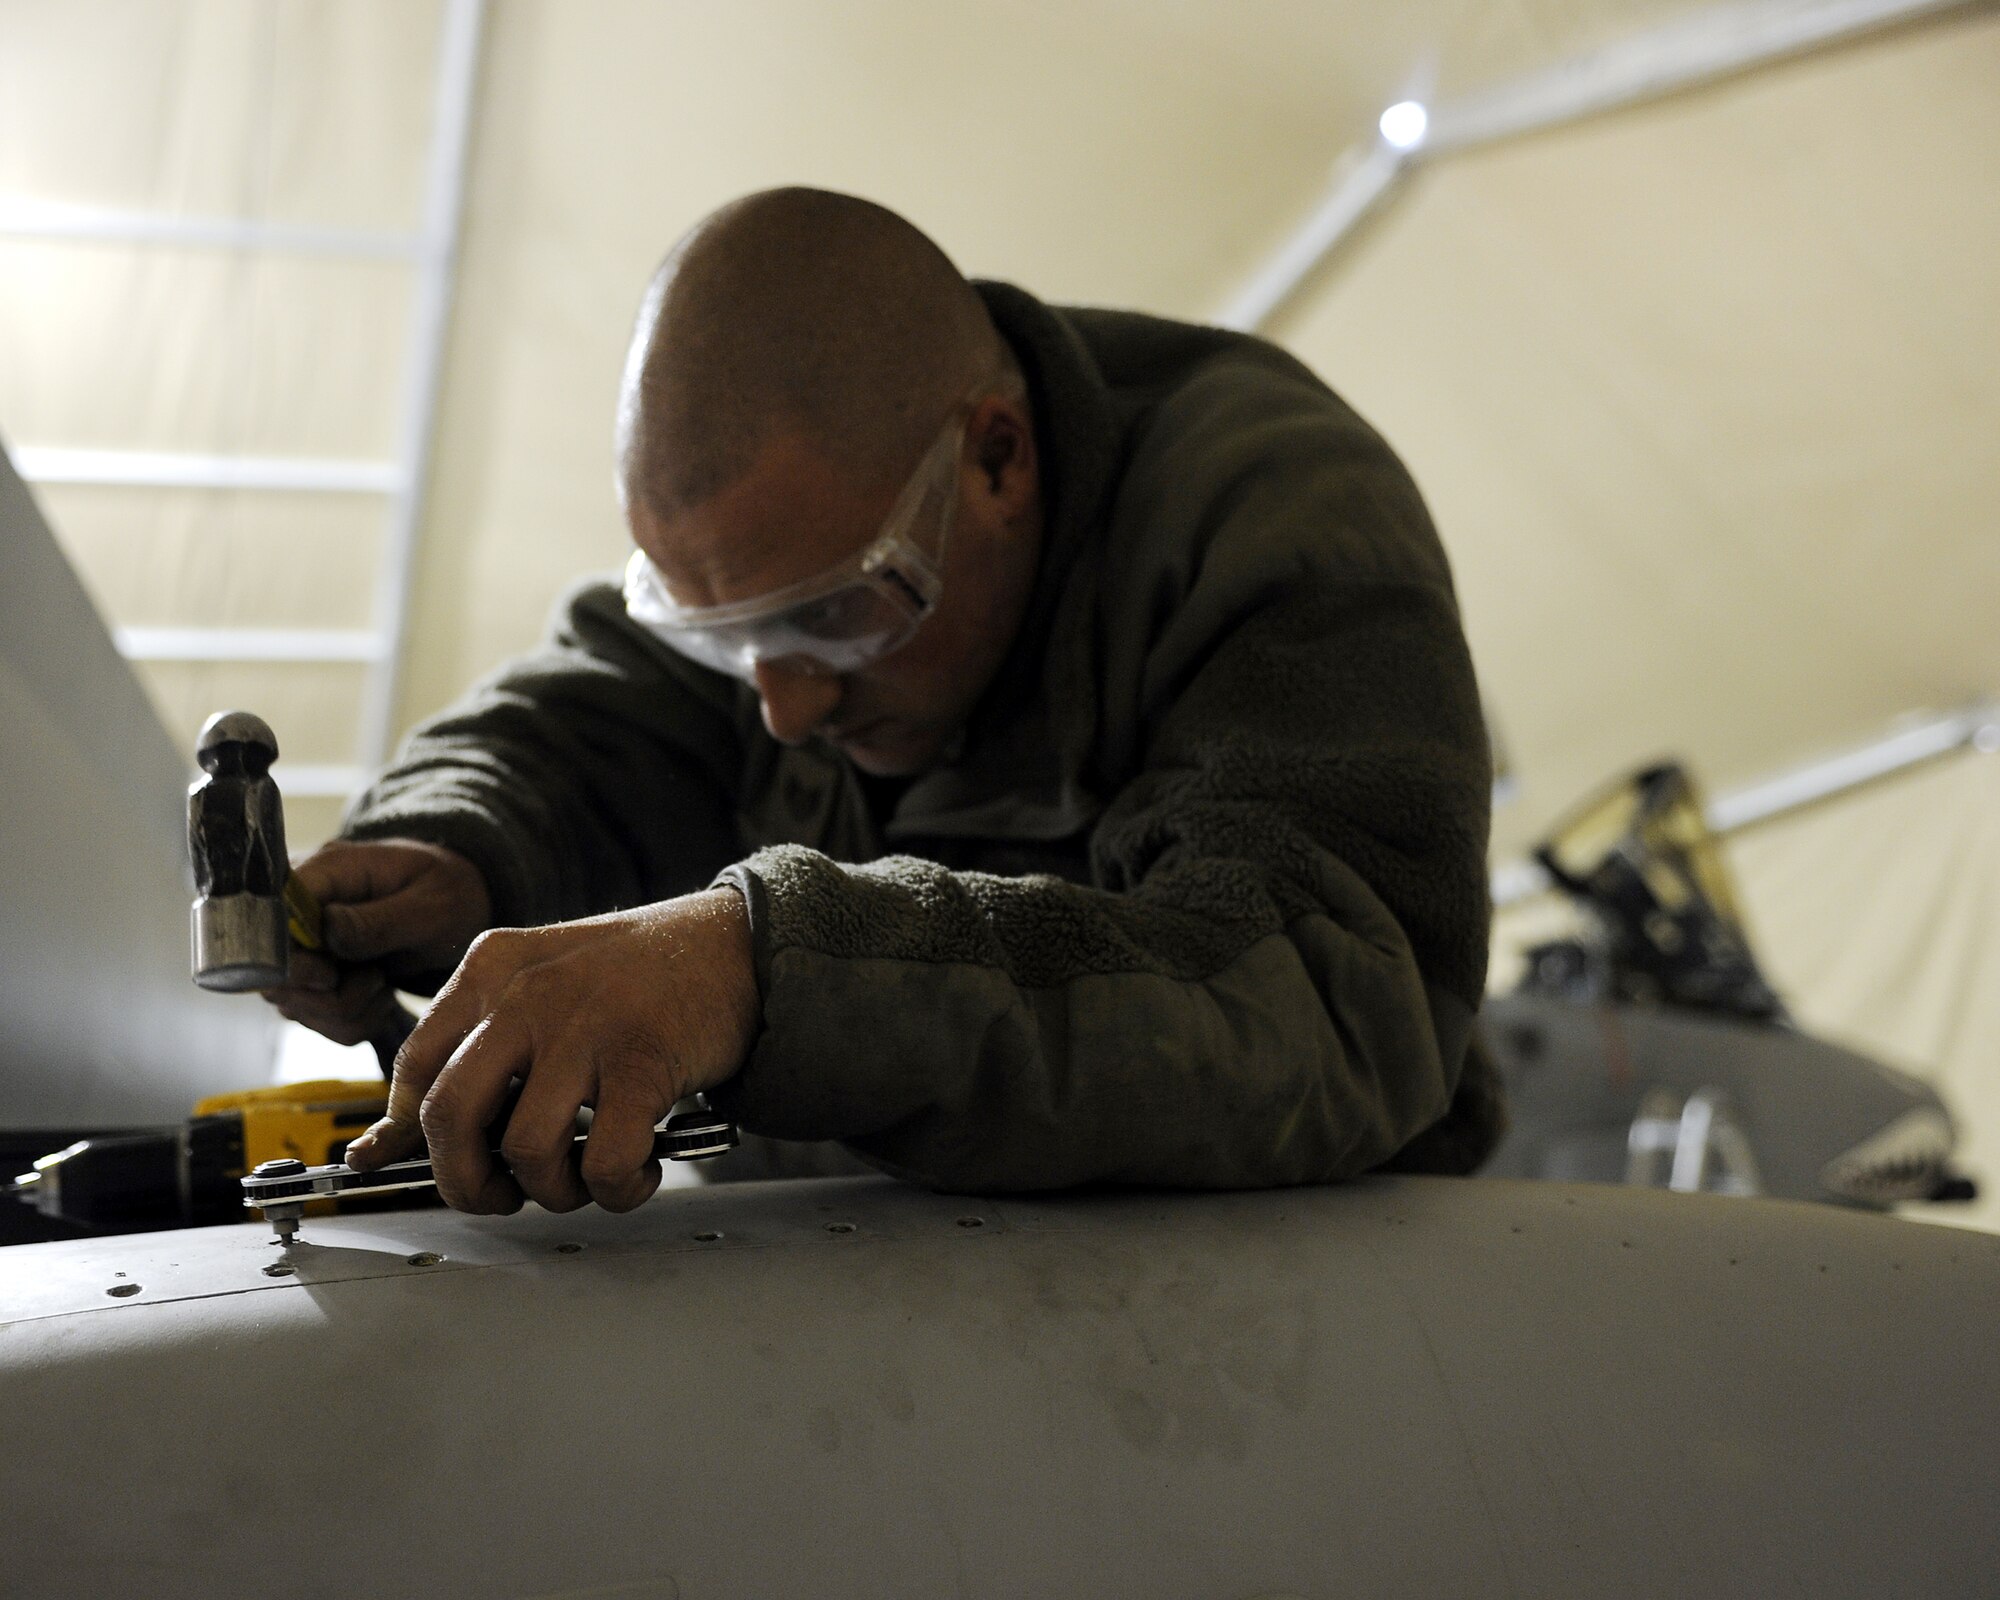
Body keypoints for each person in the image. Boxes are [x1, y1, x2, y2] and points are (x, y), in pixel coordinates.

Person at [265, 186, 1500, 1216]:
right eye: (722, 636)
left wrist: (764, 967)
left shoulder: (1270, 510)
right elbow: (573, 722)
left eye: (834, 616)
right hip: (837, 1291)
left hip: (1288, 1314)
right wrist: (451, 844)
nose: (785, 707)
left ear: (997, 459)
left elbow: (1329, 1002)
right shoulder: (787, 555)